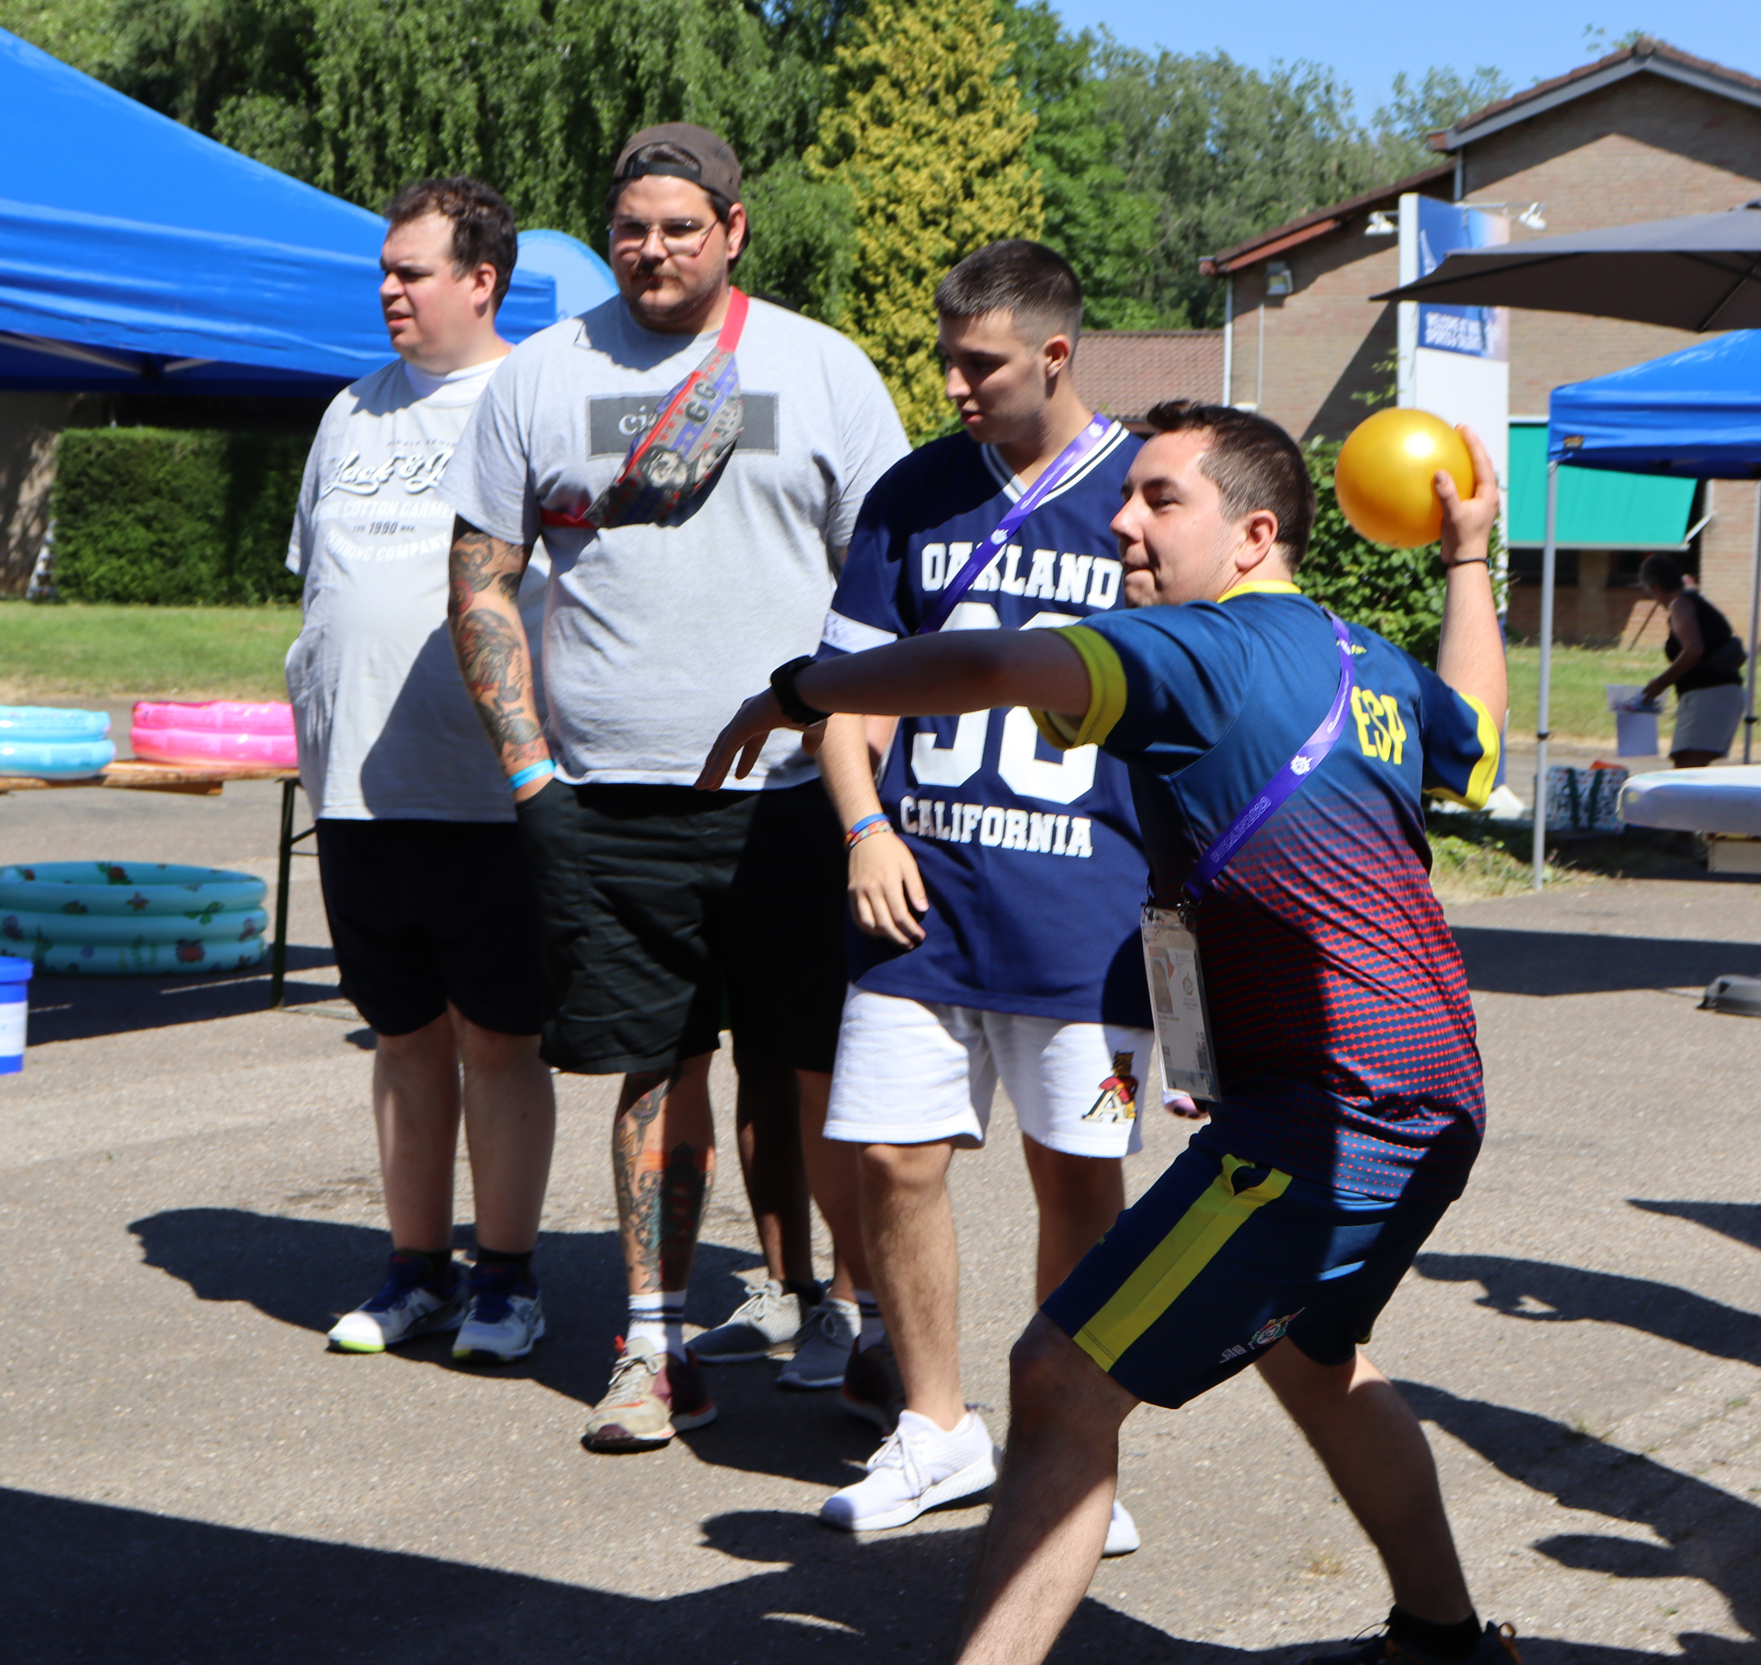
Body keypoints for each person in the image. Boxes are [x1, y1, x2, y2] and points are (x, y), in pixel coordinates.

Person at [700, 401, 1523, 1665]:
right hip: (1425, 1090)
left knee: (1059, 1378)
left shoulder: (1201, 652)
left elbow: (985, 666)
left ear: (1253, 534)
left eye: (1159, 501)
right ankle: (1446, 1640)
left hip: (1335, 1112)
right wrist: (1468, 558)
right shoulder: (1368, 662)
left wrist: (802, 689)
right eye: (1126, 496)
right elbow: (1475, 743)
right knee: (1316, 1358)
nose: (1124, 524)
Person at [438, 124, 908, 1452]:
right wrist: (531, 771)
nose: (654, 251)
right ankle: (652, 1348)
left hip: (799, 800)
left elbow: (884, 593)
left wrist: (864, 782)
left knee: (825, 1073)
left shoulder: (820, 370)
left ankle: (865, 1324)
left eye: (681, 228)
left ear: (735, 229)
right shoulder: (541, 375)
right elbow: (481, 581)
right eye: (633, 227)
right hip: (607, 803)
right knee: (652, 1073)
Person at [809, 240, 1164, 1550]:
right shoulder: (912, 491)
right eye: (946, 356)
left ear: (1057, 354)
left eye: (982, 362)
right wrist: (862, 826)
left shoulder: (1144, 493)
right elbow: (837, 694)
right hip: (922, 902)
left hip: (1091, 923)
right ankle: (935, 1427)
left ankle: (1072, 1453)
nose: (953, 382)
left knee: (1080, 1176)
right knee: (894, 1161)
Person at [286, 177, 556, 1363]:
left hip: (488, 793)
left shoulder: (533, 400)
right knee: (400, 1035)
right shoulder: (350, 410)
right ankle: (416, 1271)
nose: (390, 289)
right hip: (357, 790)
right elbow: (318, 578)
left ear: (480, 280)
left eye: (413, 271)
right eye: (385, 271)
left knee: (497, 1038)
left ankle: (507, 1281)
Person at [1638, 554, 1746, 767]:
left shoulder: (1680, 605)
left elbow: (1693, 649)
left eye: (1649, 592)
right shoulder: (1695, 602)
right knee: (1684, 767)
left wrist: (1661, 683)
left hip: (1709, 694)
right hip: (1714, 693)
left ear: (1657, 587)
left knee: (1687, 773)